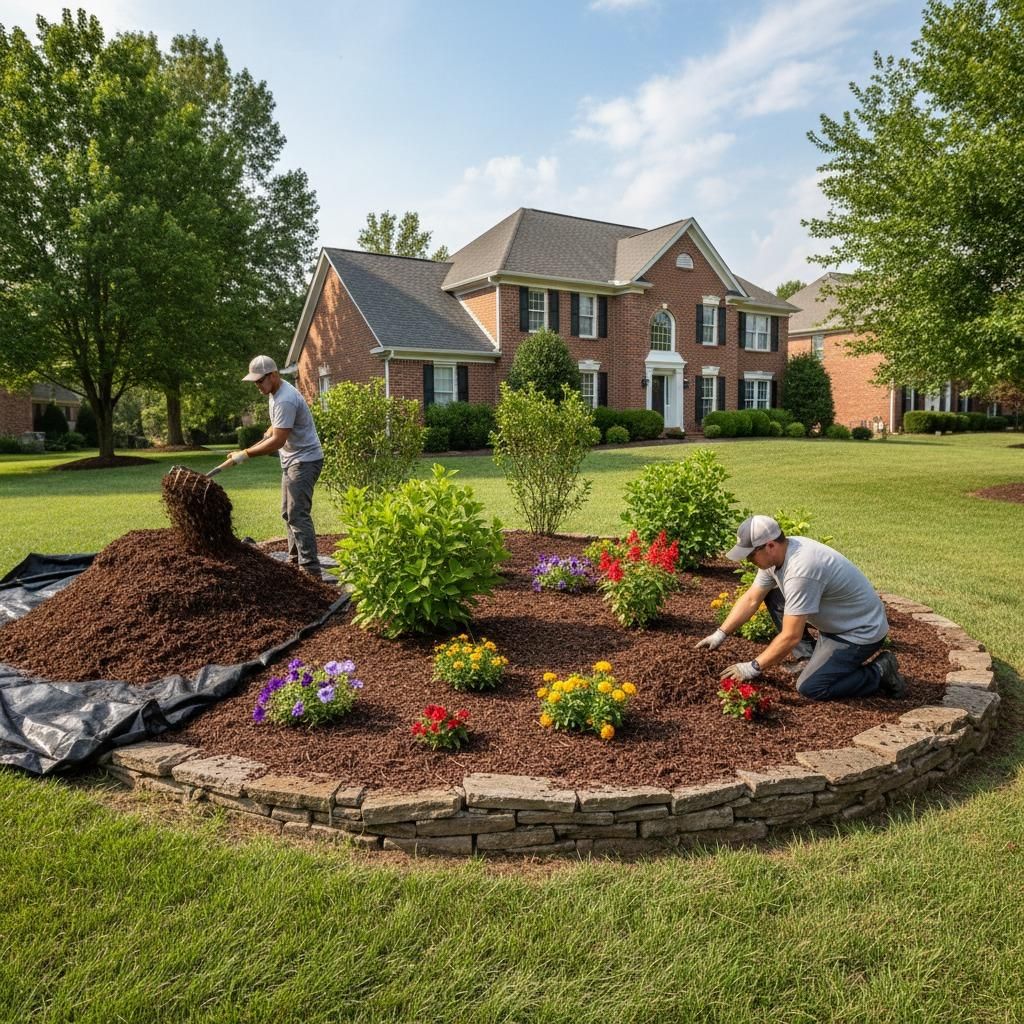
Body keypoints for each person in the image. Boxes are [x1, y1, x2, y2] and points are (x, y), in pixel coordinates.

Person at [695, 514, 906, 700]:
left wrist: (752, 667)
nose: (748, 561)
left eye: (751, 555)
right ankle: (808, 657)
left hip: (858, 632)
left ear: (770, 545)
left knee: (811, 687)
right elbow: (752, 598)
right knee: (773, 594)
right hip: (836, 622)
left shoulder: (801, 570)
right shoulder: (778, 556)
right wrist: (720, 634)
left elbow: (790, 636)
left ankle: (879, 672)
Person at [229, 355, 325, 579]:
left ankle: (310, 570)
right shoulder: (275, 393)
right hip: (293, 459)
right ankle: (295, 560)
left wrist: (244, 455)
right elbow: (278, 428)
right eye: (254, 382)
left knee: (298, 514)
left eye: (259, 381)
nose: (257, 386)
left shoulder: (285, 398)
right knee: (287, 512)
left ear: (273, 375)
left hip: (304, 460)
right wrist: (270, 430)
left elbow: (278, 442)